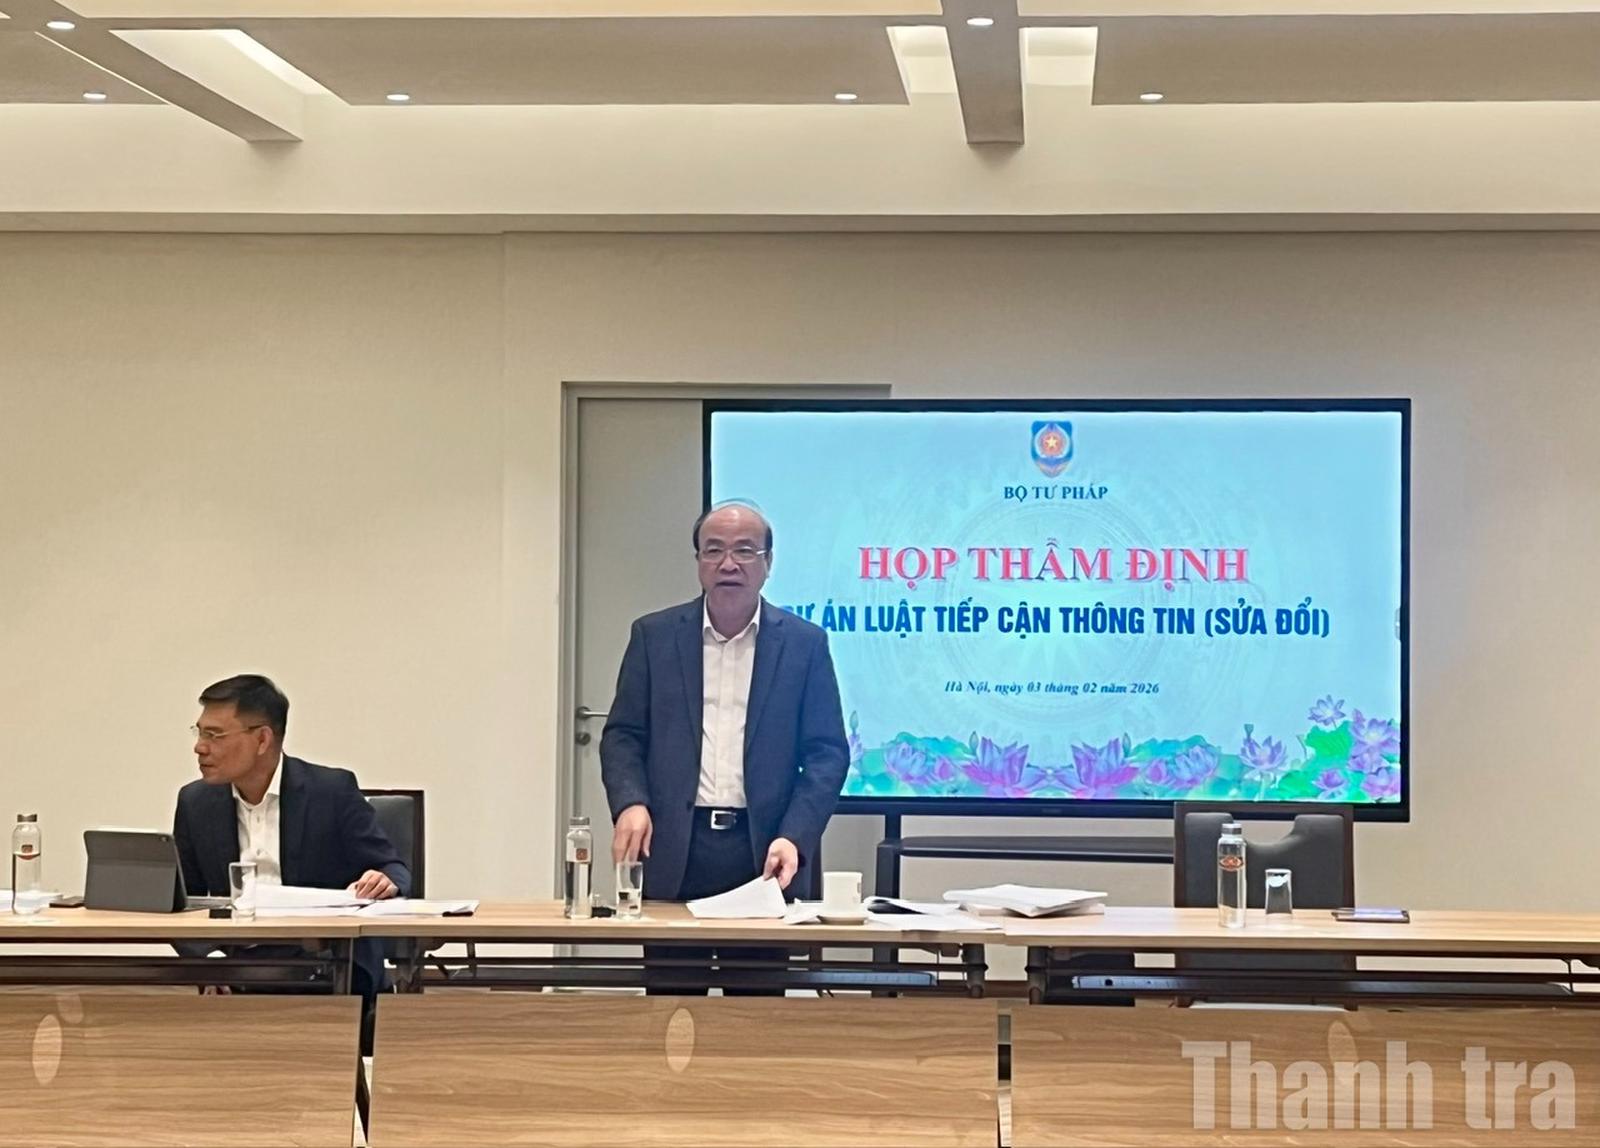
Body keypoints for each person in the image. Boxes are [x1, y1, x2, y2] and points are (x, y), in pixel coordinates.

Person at [600, 501, 849, 990]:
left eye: (744, 551)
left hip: (763, 853)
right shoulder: (654, 637)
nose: (728, 563)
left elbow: (827, 753)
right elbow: (623, 735)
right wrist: (631, 802)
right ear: (698, 561)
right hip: (676, 847)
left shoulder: (804, 645)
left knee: (753, 1014)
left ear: (768, 562)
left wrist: (795, 835)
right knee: (672, 1011)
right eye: (713, 550)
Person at [173, 674, 409, 1000]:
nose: (200, 747)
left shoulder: (331, 792)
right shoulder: (195, 802)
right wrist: (210, 961)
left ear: (262, 739)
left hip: (325, 963)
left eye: (214, 735)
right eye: (199, 732)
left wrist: (385, 879)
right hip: (236, 967)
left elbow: (393, 868)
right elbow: (183, 903)